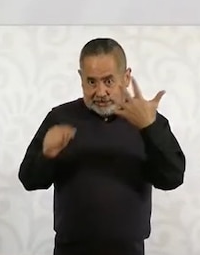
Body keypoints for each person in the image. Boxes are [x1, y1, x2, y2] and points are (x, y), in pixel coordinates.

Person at [17, 38, 186, 255]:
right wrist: (47, 154)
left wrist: (149, 128)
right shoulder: (60, 118)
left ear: (126, 77)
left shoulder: (148, 120)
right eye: (91, 82)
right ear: (81, 78)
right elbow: (29, 181)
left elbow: (172, 178)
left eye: (108, 81)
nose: (100, 92)